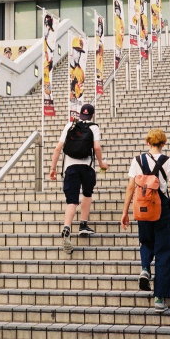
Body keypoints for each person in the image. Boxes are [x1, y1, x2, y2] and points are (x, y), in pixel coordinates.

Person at [120, 128, 170, 311]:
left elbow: (130, 187)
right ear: (163, 143)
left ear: (147, 143)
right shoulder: (168, 161)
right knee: (164, 251)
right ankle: (159, 298)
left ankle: (145, 268)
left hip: (142, 208)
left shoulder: (137, 160)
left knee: (146, 241)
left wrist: (125, 212)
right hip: (161, 208)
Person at [49, 103, 109, 253]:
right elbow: (96, 147)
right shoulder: (94, 127)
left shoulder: (70, 125)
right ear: (92, 115)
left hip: (70, 168)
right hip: (87, 167)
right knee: (87, 194)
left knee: (72, 200)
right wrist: (102, 163)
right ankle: (83, 225)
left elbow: (58, 148)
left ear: (80, 114)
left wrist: (52, 168)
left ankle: (67, 227)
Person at [69, 36, 86, 116]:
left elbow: (80, 93)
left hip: (74, 107)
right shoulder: (67, 67)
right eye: (77, 51)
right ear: (71, 50)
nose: (79, 55)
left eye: (80, 52)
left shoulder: (81, 72)